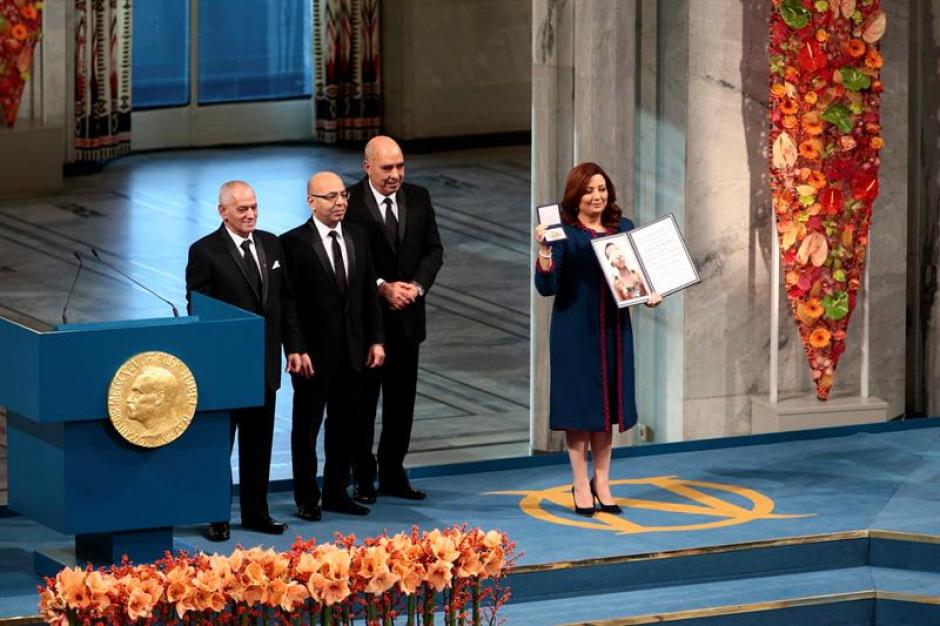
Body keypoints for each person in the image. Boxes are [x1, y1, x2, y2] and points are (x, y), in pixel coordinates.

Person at [186, 180, 312, 541]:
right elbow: (199, 309)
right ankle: (216, 516)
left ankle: (257, 513)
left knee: (259, 445)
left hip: (264, 366)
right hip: (225, 370)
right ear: (223, 211)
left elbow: (285, 301)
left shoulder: (271, 244)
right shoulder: (205, 251)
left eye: (254, 207)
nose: (251, 214)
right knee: (219, 447)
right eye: (242, 209)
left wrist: (295, 347)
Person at [534, 162, 661, 517]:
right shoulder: (563, 232)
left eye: (602, 189)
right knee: (580, 411)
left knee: (606, 410)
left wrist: (649, 293)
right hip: (575, 332)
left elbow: (636, 278)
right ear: (575, 196)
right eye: (589, 190)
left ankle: (602, 482)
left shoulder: (623, 228)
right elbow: (547, 286)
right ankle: (580, 483)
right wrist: (544, 250)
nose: (596, 196)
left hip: (613, 330)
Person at [280, 172, 385, 520]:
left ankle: (336, 492)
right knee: (306, 429)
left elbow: (367, 293)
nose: (340, 202)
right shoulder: (292, 243)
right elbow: (288, 303)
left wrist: (376, 339)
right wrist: (295, 347)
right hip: (312, 356)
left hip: (354, 352)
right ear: (311, 201)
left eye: (343, 195)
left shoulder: (358, 235)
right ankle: (306, 498)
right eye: (330, 197)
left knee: (345, 426)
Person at [344, 136, 444, 503]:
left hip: (408, 322)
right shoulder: (349, 204)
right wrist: (381, 287)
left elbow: (434, 250)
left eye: (400, 166)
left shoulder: (419, 198)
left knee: (401, 406)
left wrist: (415, 287)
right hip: (368, 327)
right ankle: (362, 475)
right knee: (363, 405)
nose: (395, 174)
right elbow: (348, 261)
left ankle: (393, 472)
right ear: (367, 166)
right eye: (387, 168)